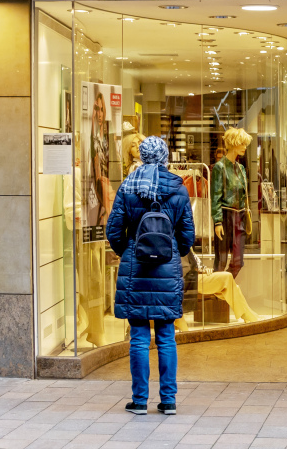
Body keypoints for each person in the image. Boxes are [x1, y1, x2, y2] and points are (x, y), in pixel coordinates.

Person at [106, 136, 195, 416]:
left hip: (136, 270)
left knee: (139, 337)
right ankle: (168, 400)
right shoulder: (178, 187)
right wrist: (170, 251)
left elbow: (113, 231)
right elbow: (187, 235)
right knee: (167, 336)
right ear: (165, 156)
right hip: (167, 270)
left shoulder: (128, 186)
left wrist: (129, 251)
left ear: (143, 156)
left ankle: (140, 400)